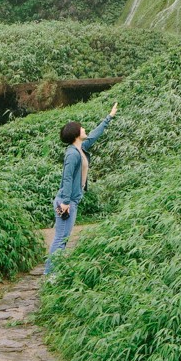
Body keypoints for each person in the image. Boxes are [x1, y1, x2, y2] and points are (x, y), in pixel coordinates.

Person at [43, 102, 117, 275]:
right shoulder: (71, 154)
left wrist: (109, 117)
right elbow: (67, 178)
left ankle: (54, 272)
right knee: (61, 239)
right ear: (76, 134)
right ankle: (50, 275)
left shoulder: (80, 148)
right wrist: (66, 202)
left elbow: (94, 136)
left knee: (63, 238)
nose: (84, 129)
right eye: (81, 128)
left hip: (71, 200)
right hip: (66, 202)